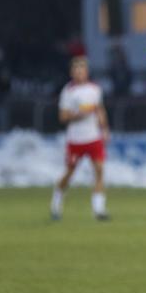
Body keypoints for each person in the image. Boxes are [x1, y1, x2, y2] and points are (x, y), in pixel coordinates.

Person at [50, 55, 111, 221]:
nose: (79, 72)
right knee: (69, 174)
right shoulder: (68, 91)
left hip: (93, 138)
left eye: (82, 69)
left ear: (86, 71)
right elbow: (62, 117)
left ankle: (99, 210)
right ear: (71, 72)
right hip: (76, 140)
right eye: (76, 69)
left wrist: (105, 129)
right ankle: (56, 204)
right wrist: (79, 114)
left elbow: (100, 110)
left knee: (99, 172)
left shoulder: (95, 89)